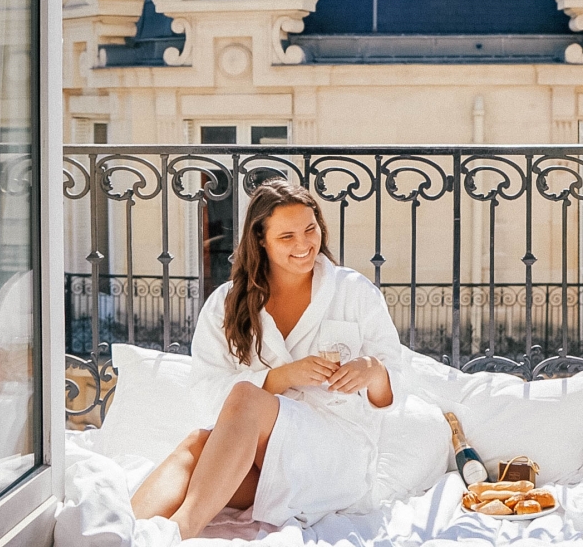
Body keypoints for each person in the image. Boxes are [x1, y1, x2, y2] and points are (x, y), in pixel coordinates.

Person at [132, 179, 402, 539]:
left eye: (310, 229)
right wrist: (280, 378)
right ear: (260, 239)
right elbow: (205, 392)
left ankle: (179, 532)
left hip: (336, 457)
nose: (304, 244)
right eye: (286, 236)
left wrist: (374, 371)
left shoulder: (353, 291)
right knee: (199, 443)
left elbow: (396, 387)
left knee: (245, 396)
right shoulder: (227, 304)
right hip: (264, 460)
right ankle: (121, 532)